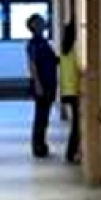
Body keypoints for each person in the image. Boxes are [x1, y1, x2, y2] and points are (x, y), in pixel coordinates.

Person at [24, 14, 58, 158]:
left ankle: (41, 144)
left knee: (44, 116)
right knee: (41, 116)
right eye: (40, 22)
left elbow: (53, 60)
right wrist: (38, 84)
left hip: (49, 82)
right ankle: (38, 147)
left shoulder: (43, 42)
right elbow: (32, 65)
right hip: (42, 83)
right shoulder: (34, 43)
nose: (44, 23)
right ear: (34, 26)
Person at [59, 22, 82, 165]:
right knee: (77, 125)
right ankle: (71, 153)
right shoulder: (75, 49)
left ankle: (72, 152)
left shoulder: (64, 49)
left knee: (76, 124)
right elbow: (80, 68)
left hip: (67, 91)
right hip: (75, 90)